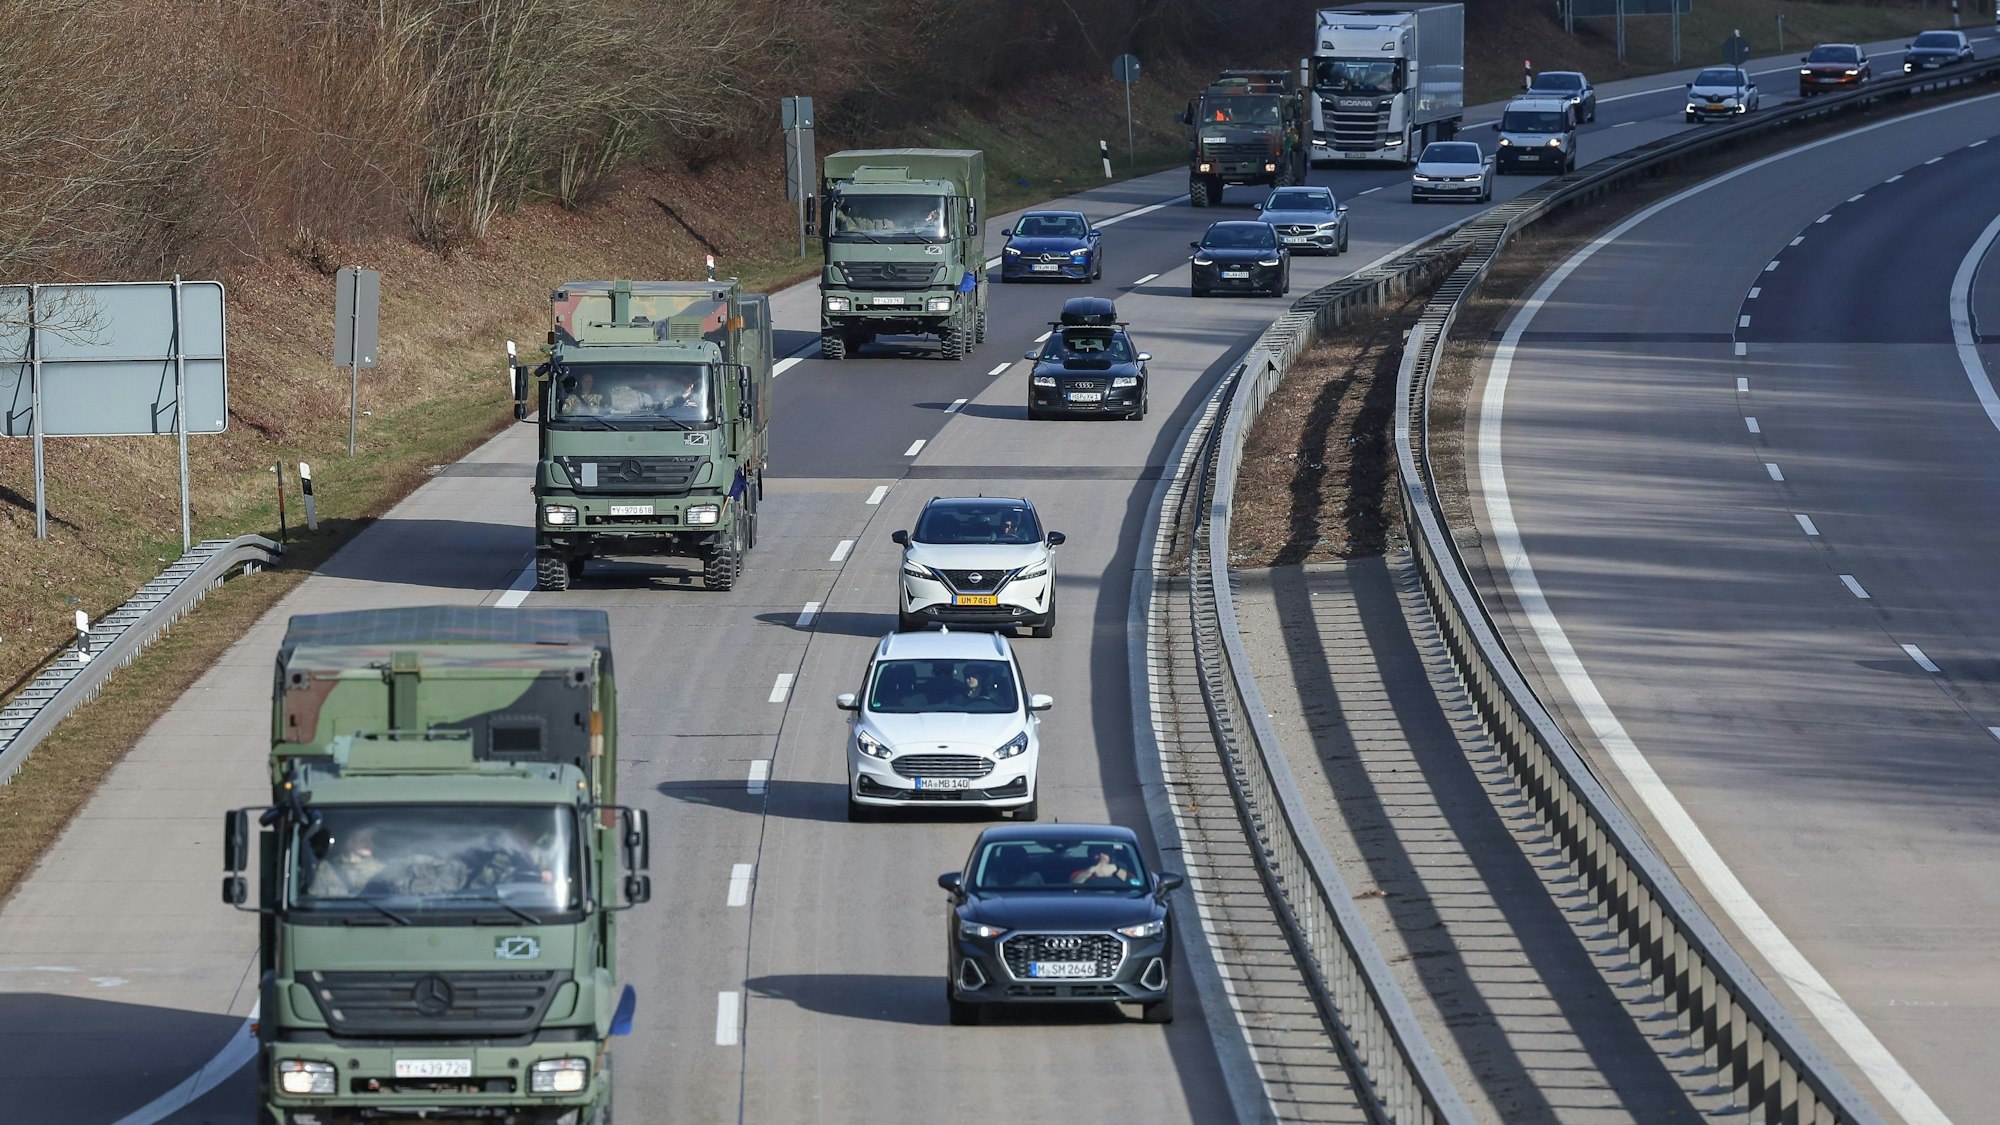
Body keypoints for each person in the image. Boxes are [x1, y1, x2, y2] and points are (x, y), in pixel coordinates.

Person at [310, 826, 385, 897]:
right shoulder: (326, 869)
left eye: (370, 839)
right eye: (364, 839)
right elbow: (315, 902)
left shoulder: (380, 869)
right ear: (350, 842)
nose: (370, 843)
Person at [1069, 848, 1135, 886]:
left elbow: (1134, 884)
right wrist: (1090, 871)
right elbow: (1073, 885)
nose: (1101, 856)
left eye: (1105, 852)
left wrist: (1116, 869)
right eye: (1097, 852)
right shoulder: (1080, 873)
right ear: (1090, 855)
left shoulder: (1120, 871)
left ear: (1111, 856)